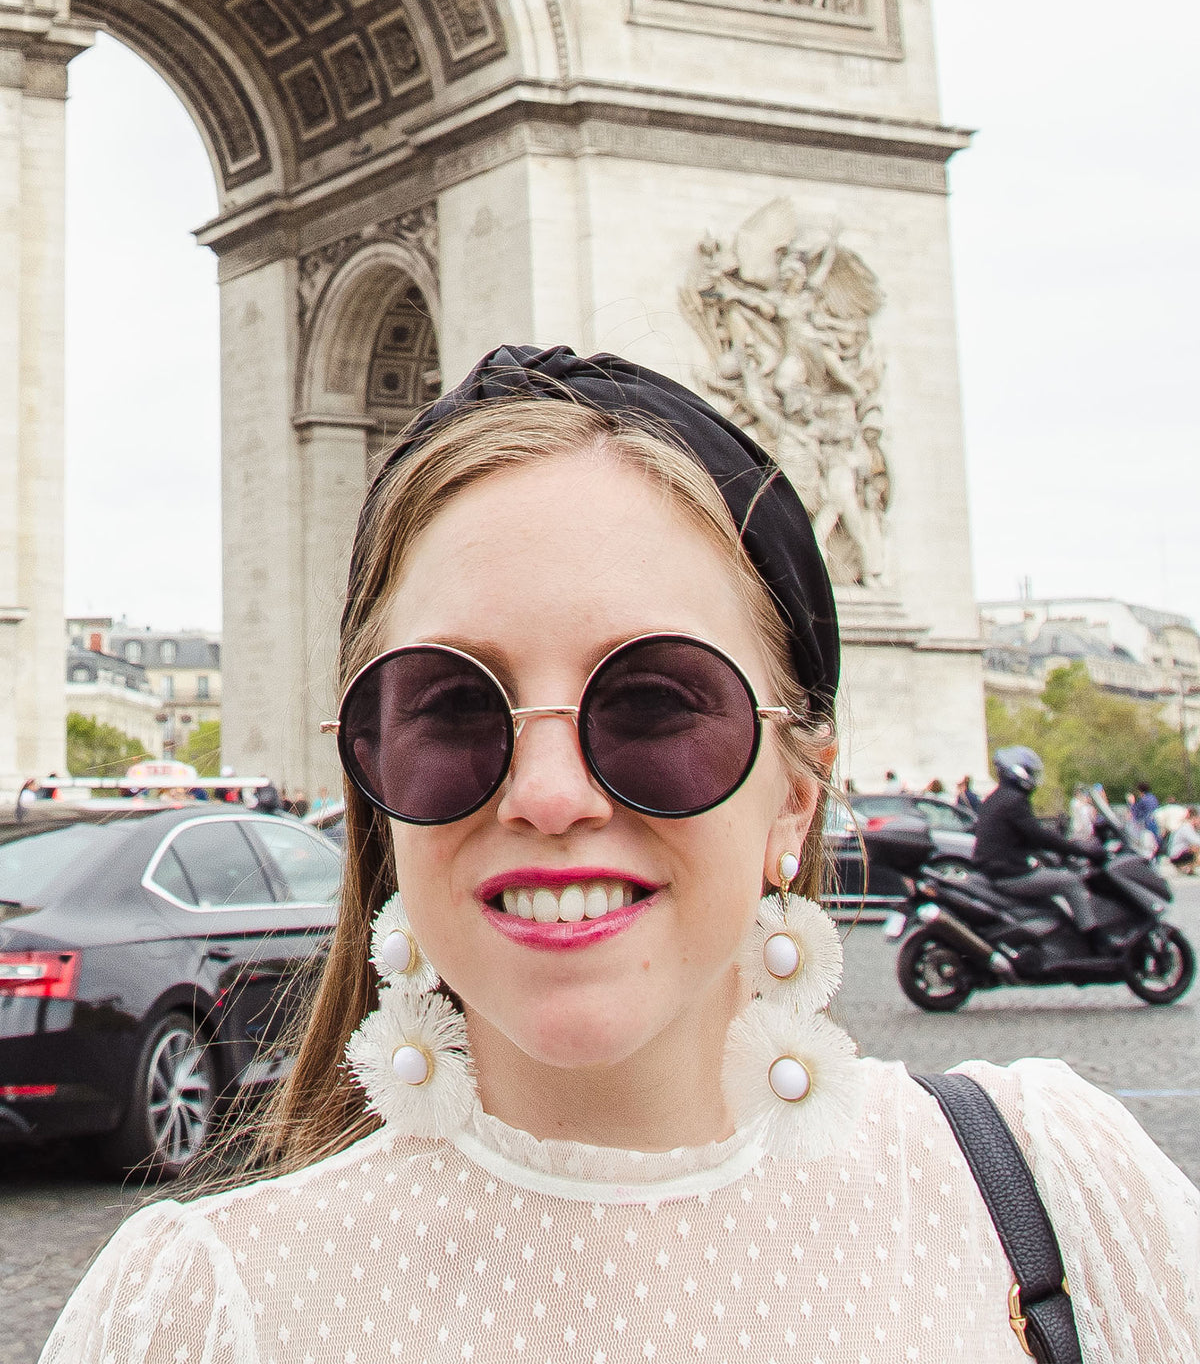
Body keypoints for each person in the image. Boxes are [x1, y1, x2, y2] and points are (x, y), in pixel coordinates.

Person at [40, 346, 1199, 1363]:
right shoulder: (189, 1314)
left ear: (797, 795)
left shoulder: (1061, 1189)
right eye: (452, 707)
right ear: (375, 780)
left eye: (654, 701)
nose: (548, 794)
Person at [972, 746, 1111, 942]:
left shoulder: (995, 799)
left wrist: (1055, 851)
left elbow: (1022, 838)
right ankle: (1095, 939)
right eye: (1030, 772)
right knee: (1070, 881)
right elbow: (1039, 836)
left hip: (994, 871)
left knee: (1051, 895)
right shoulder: (1014, 801)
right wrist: (1082, 850)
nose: (1033, 777)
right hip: (1010, 874)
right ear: (1018, 772)